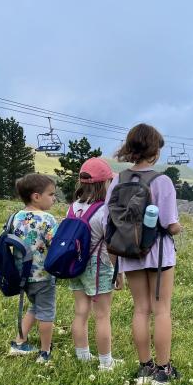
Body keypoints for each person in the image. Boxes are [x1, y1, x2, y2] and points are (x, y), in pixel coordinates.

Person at [106, 123, 182, 385]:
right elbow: (170, 223)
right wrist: (177, 227)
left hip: (129, 251)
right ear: (154, 150)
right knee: (161, 310)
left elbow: (109, 220)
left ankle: (144, 368)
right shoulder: (162, 181)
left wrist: (114, 263)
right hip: (159, 253)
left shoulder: (117, 179)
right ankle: (163, 371)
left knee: (140, 309)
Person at [68, 157, 124, 371]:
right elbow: (111, 247)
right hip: (98, 265)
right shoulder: (103, 211)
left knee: (80, 312)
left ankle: (83, 355)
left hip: (75, 265)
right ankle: (105, 362)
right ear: (105, 184)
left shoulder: (73, 207)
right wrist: (118, 273)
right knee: (102, 315)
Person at [9, 174, 58, 363]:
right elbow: (55, 245)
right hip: (43, 275)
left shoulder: (15, 217)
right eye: (51, 194)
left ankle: (19, 342)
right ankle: (45, 352)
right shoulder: (47, 219)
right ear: (36, 196)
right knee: (46, 312)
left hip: (22, 274)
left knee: (35, 307)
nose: (54, 198)